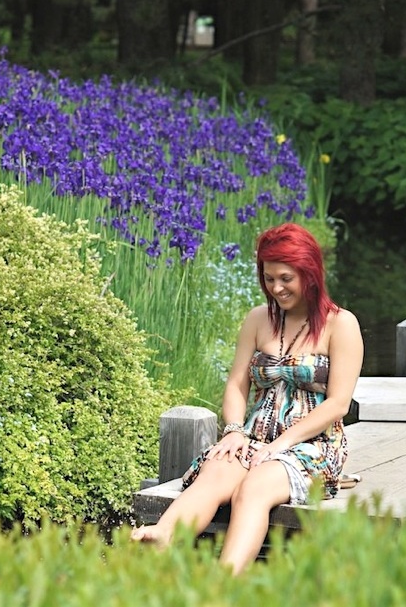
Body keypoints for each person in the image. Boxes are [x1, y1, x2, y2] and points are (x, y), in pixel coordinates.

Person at [131, 222, 364, 575]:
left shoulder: (341, 324)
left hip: (313, 445)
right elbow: (237, 383)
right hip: (256, 436)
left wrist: (280, 445)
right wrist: (235, 431)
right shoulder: (258, 319)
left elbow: (338, 404)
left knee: (253, 488)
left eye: (286, 278)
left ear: (310, 272)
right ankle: (165, 535)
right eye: (269, 278)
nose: (276, 287)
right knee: (218, 469)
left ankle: (224, 585)